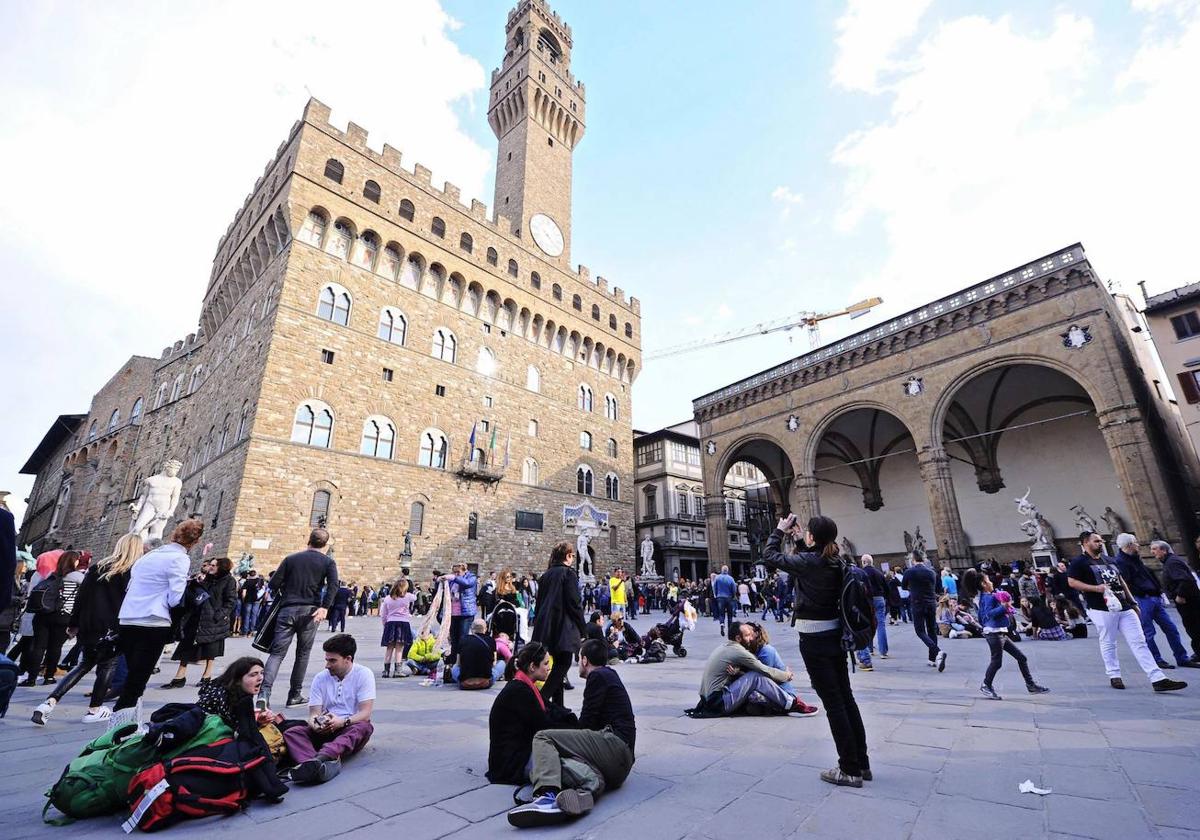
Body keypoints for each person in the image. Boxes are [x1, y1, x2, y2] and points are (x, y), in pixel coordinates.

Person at [763, 514, 870, 787]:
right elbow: (811, 560)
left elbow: (770, 556)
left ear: (814, 537)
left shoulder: (811, 563)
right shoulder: (837, 560)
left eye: (809, 533)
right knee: (846, 698)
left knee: (834, 704)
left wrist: (779, 531)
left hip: (814, 639)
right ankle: (862, 763)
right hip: (835, 635)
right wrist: (800, 538)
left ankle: (849, 769)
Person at [506, 638, 636, 827]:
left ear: (584, 660)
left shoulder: (597, 676)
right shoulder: (609, 674)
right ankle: (589, 788)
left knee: (543, 737)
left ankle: (546, 795)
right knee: (554, 759)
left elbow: (586, 724)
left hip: (614, 745)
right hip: (617, 767)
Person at [31, 534, 142, 725]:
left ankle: (49, 702)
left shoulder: (96, 568)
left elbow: (81, 598)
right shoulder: (131, 572)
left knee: (84, 664)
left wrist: (74, 624)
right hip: (113, 627)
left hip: (89, 625)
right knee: (108, 666)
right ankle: (94, 710)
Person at [1068, 530, 1186, 692]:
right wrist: (1096, 588)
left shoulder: (1109, 559)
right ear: (1085, 543)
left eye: (1101, 541)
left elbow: (1121, 580)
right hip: (1101, 607)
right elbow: (1072, 582)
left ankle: (1157, 678)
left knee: (1139, 641)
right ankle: (1114, 675)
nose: (1100, 543)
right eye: (1096, 541)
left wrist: (1132, 602)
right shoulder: (1079, 562)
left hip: (1124, 605)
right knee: (1109, 641)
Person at [115, 519, 202, 717]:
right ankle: (119, 725)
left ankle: (132, 722)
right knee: (138, 680)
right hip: (153, 622)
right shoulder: (180, 559)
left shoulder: (148, 556)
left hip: (128, 619)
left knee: (132, 675)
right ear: (195, 542)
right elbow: (174, 599)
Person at [283, 634, 374, 784]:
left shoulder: (364, 674)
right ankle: (315, 765)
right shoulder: (320, 678)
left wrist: (342, 722)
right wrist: (316, 724)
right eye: (327, 660)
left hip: (349, 726)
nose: (327, 665)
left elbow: (365, 713)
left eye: (332, 661)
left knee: (364, 727)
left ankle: (320, 758)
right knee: (293, 732)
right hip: (326, 728)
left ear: (348, 659)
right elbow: (313, 714)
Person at [262, 528, 338, 707]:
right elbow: (333, 585)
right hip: (310, 612)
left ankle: (264, 694)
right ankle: (294, 695)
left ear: (308, 540)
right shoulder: (328, 562)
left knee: (277, 654)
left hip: (287, 609)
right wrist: (324, 607)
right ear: (325, 545)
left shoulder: (291, 559)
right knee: (302, 654)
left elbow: (273, 584)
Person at [1114, 533, 1199, 670]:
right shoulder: (1121, 562)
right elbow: (1127, 583)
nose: (1138, 545)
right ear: (1129, 545)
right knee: (1148, 632)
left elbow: (1146, 574)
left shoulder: (1135, 558)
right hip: (1142, 599)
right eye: (1135, 542)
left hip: (1153, 597)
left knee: (1171, 628)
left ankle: (1182, 657)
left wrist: (1157, 590)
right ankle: (1157, 659)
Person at [696, 621, 817, 716]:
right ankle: (793, 704)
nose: (750, 638)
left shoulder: (726, 647)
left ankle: (778, 704)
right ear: (738, 638)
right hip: (718, 703)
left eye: (751, 634)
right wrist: (787, 675)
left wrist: (738, 674)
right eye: (747, 635)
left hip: (709, 701)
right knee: (756, 676)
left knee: (754, 686)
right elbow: (765, 671)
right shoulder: (739, 651)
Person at [970, 569, 1050, 700]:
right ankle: (986, 685)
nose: (991, 582)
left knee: (1021, 658)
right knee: (996, 662)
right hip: (994, 634)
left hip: (999, 633)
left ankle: (1031, 685)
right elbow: (988, 614)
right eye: (988, 580)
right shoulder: (987, 598)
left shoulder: (991, 595)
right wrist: (1003, 606)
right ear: (983, 584)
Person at [165, 556, 238, 687]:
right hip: (197, 617)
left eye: (214, 565)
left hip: (215, 621)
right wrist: (195, 583)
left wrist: (219, 615)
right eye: (210, 565)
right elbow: (196, 595)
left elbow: (231, 601)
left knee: (211, 650)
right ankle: (179, 676)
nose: (210, 567)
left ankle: (207, 676)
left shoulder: (229, 581)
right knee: (186, 646)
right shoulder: (206, 579)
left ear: (221, 567)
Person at [530, 542, 586, 707]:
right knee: (563, 664)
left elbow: (539, 602)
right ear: (568, 556)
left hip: (546, 625)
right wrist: (583, 628)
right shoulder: (568, 573)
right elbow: (574, 602)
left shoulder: (546, 575)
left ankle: (557, 706)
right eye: (573, 556)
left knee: (556, 667)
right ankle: (541, 701)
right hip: (563, 626)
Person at [487, 642, 552, 784]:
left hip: (512, 756)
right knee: (566, 764)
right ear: (532, 667)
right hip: (512, 763)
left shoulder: (523, 685)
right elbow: (544, 725)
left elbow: (548, 710)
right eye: (546, 663)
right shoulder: (520, 691)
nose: (549, 668)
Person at [20, 549, 85, 686]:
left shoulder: (51, 574)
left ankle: (31, 678)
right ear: (74, 561)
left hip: (44, 614)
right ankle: (49, 676)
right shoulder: (78, 577)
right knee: (55, 648)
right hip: (63, 616)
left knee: (39, 647)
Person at [902, 552, 946, 672]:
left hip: (917, 603)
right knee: (932, 629)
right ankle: (932, 659)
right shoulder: (932, 572)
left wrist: (914, 587)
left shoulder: (909, 572)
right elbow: (938, 589)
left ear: (913, 559)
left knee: (920, 630)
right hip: (931, 603)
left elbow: (904, 586)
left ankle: (937, 652)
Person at [1157, 539, 1200, 659]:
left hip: (1188, 600)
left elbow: (1185, 579)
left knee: (1193, 626)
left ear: (1164, 550)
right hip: (1189, 599)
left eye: (1155, 549)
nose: (1152, 552)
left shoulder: (1172, 562)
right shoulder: (1170, 561)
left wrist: (1180, 595)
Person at [453, 618, 506, 688]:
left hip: (465, 683)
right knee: (502, 663)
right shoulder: (490, 640)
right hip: (485, 683)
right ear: (485, 629)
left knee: (454, 667)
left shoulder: (463, 639)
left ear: (471, 629)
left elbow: (458, 663)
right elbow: (494, 663)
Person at [380, 578, 416, 678]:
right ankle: (398, 671)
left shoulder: (387, 598)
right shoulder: (408, 596)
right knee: (399, 649)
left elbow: (383, 614)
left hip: (390, 623)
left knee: (389, 648)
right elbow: (415, 597)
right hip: (403, 623)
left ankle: (386, 671)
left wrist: (385, 625)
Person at [857, 555, 888, 669]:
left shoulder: (861, 573)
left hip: (868, 600)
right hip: (880, 598)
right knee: (881, 624)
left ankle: (869, 649)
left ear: (864, 562)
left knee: (868, 624)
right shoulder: (879, 572)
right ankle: (883, 651)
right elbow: (886, 588)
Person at [237, 570, 264, 637]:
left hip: (248, 600)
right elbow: (263, 589)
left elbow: (244, 592)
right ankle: (251, 631)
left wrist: (244, 599)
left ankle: (245, 631)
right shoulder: (259, 581)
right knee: (254, 615)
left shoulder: (247, 581)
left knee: (247, 615)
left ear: (249, 575)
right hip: (257, 600)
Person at [712, 565, 736, 636]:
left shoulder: (717, 578)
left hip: (720, 597)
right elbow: (734, 588)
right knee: (730, 614)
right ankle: (730, 630)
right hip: (729, 598)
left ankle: (722, 625)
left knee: (721, 614)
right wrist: (733, 595)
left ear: (722, 570)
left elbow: (714, 587)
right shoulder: (731, 578)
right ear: (727, 571)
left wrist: (716, 594)